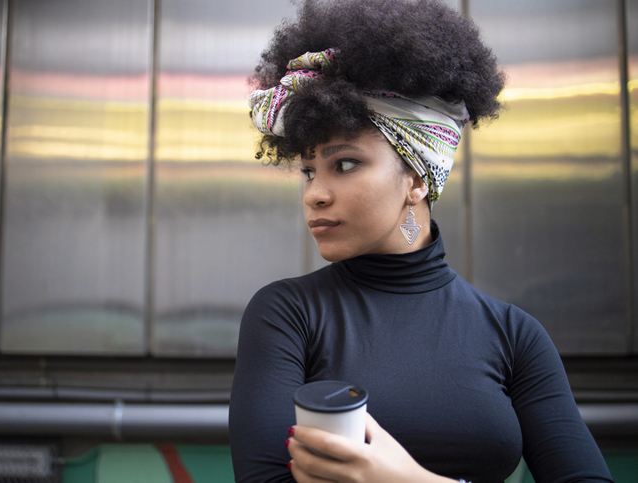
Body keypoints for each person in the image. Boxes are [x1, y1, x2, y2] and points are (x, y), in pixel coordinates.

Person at [228, 0, 614, 481]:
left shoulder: (516, 337)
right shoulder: (287, 315)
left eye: (345, 164)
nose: (315, 194)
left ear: (416, 176)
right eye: (308, 171)